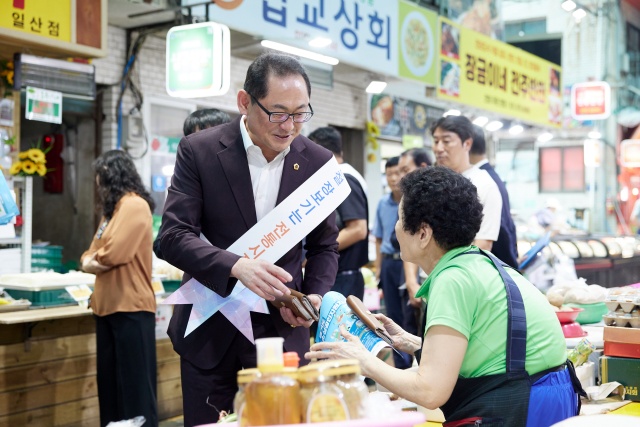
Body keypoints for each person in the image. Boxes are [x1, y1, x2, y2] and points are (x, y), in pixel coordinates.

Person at [307, 166, 583, 427]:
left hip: (524, 407)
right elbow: (484, 346)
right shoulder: (478, 262)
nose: (396, 228)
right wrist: (413, 342)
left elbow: (430, 392)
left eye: (401, 219)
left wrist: (363, 361)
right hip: (547, 399)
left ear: (423, 233)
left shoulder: (453, 280)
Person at [155, 52, 339, 427]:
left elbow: (325, 246)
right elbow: (172, 236)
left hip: (280, 336)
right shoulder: (200, 151)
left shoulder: (318, 162)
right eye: (278, 112)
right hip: (208, 329)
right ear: (245, 102)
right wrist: (235, 265)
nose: (289, 126)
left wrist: (314, 296)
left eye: (300, 113)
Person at [80, 150, 158, 427]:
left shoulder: (134, 205)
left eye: (100, 177)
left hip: (131, 307)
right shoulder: (111, 213)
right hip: (106, 307)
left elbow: (113, 255)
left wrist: (92, 260)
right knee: (110, 389)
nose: (98, 184)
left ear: (112, 176)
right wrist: (91, 260)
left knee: (135, 389)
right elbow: (88, 254)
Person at [153, 108, 231, 260]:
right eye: (195, 138)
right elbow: (161, 244)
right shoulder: (185, 186)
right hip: (201, 277)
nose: (202, 145)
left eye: (211, 136)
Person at [308, 126, 368, 300]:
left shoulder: (343, 177)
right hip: (341, 274)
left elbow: (358, 229)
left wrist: (320, 250)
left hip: (344, 276)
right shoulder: (343, 175)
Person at [431, 115, 501, 251]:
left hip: (458, 270)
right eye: (435, 141)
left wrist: (448, 271)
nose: (439, 148)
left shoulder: (484, 184)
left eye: (446, 141)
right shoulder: (430, 182)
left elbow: (483, 244)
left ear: (467, 144)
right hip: (425, 272)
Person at [373, 156, 412, 369]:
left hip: (409, 263)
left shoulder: (413, 201)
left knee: (410, 315)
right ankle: (401, 366)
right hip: (389, 264)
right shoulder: (382, 204)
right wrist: (378, 269)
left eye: (398, 173)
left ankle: (416, 362)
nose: (393, 178)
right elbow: (378, 238)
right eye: (389, 174)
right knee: (393, 316)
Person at [469, 125, 519, 269]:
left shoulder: (484, 180)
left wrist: (510, 264)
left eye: (447, 141)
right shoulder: (490, 175)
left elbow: (501, 228)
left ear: (467, 144)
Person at [397, 148, 431, 335]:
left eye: (405, 170)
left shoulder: (438, 195)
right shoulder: (408, 198)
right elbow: (409, 249)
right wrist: (411, 282)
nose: (400, 176)